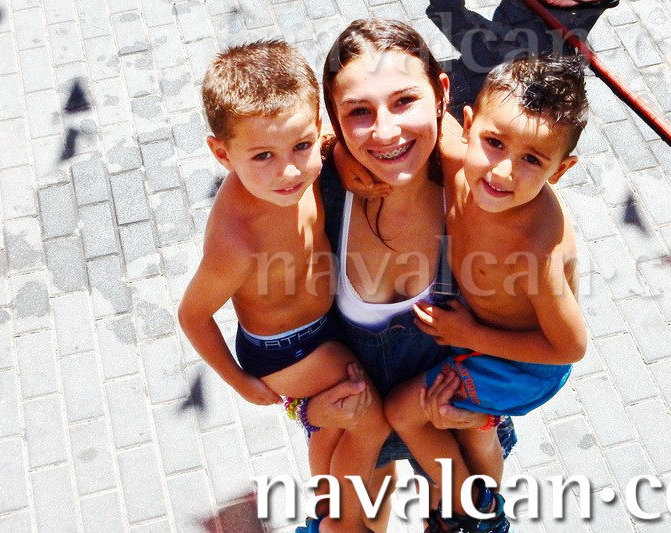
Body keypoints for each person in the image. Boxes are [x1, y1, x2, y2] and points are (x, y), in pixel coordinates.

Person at [304, 19, 518, 530]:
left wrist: (485, 415)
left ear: (442, 93)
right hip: (356, 424)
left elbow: (540, 334)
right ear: (333, 119)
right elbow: (275, 328)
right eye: (359, 111)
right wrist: (306, 410)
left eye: (404, 101)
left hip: (449, 422)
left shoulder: (482, 193)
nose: (385, 132)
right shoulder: (317, 193)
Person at [177, 40, 388, 533]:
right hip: (283, 349)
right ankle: (338, 526)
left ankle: (337, 511)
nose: (289, 170)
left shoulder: (299, 168)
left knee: (337, 431)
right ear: (222, 154)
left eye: (302, 146)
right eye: (263, 155)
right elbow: (192, 315)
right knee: (371, 419)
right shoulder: (237, 240)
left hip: (324, 320)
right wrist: (242, 384)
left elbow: (328, 146)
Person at [385, 55, 589, 532]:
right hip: (477, 332)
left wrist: (469, 334)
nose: (502, 172)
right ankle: (481, 432)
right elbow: (420, 119)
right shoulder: (459, 161)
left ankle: (475, 515)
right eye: (494, 143)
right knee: (462, 423)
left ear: (560, 170)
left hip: (522, 365)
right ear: (469, 125)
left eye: (532, 159)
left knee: (406, 413)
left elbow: (569, 348)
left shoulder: (534, 248)